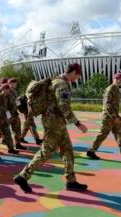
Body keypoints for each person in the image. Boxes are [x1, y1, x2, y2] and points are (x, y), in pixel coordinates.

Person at [14, 63, 88, 193]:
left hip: (57, 122)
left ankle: (71, 181)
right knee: (46, 151)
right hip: (54, 123)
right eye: (78, 75)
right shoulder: (61, 84)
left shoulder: (56, 81)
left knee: (67, 150)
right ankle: (23, 176)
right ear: (74, 73)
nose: (77, 78)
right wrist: (78, 124)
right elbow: (64, 106)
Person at [87, 72, 121, 162]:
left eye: (120, 79)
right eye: (117, 79)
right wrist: (115, 118)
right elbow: (107, 105)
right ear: (113, 79)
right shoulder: (110, 89)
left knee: (120, 135)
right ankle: (91, 151)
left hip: (115, 117)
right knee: (102, 134)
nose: (119, 80)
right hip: (108, 117)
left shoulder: (117, 89)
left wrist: (117, 117)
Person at [0, 83, 19, 154]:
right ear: (3, 89)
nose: (8, 90)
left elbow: (8, 109)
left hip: (4, 119)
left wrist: (9, 118)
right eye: (7, 89)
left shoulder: (8, 96)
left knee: (8, 133)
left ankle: (11, 148)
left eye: (9, 89)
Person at [8, 78, 27, 149]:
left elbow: (16, 102)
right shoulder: (7, 90)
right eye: (15, 83)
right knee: (2, 129)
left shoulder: (15, 91)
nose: (16, 84)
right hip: (8, 113)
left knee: (17, 128)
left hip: (14, 113)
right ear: (11, 83)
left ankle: (17, 143)